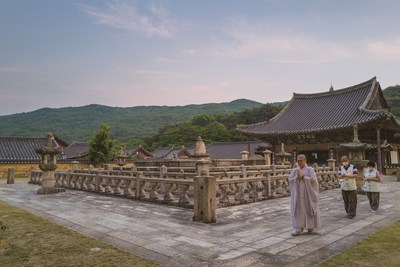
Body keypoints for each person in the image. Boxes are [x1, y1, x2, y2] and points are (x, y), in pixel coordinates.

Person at [288, 154, 321, 236]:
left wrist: (303, 177)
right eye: (298, 160)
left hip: (308, 194)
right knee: (298, 210)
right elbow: (290, 179)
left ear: (305, 161)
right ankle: (298, 228)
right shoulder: (295, 170)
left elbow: (313, 180)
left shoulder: (310, 170)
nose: (299, 162)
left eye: (301, 160)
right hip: (298, 195)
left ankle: (310, 226)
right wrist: (296, 178)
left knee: (309, 208)